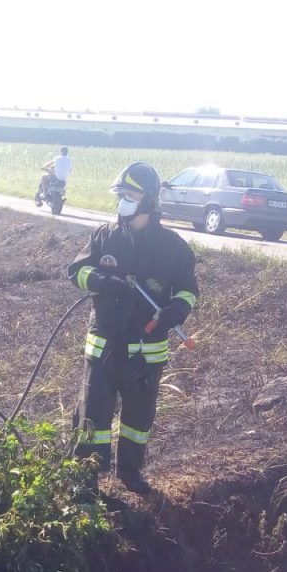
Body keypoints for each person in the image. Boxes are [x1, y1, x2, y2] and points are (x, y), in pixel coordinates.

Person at [66, 162, 199, 495]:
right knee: (93, 417)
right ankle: (87, 478)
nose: (123, 201)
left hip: (146, 353)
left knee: (138, 420)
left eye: (130, 194)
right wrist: (100, 281)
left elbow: (188, 289)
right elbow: (75, 272)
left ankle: (129, 471)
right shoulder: (104, 236)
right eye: (121, 194)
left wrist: (178, 309)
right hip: (104, 348)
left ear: (149, 200)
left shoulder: (174, 248)